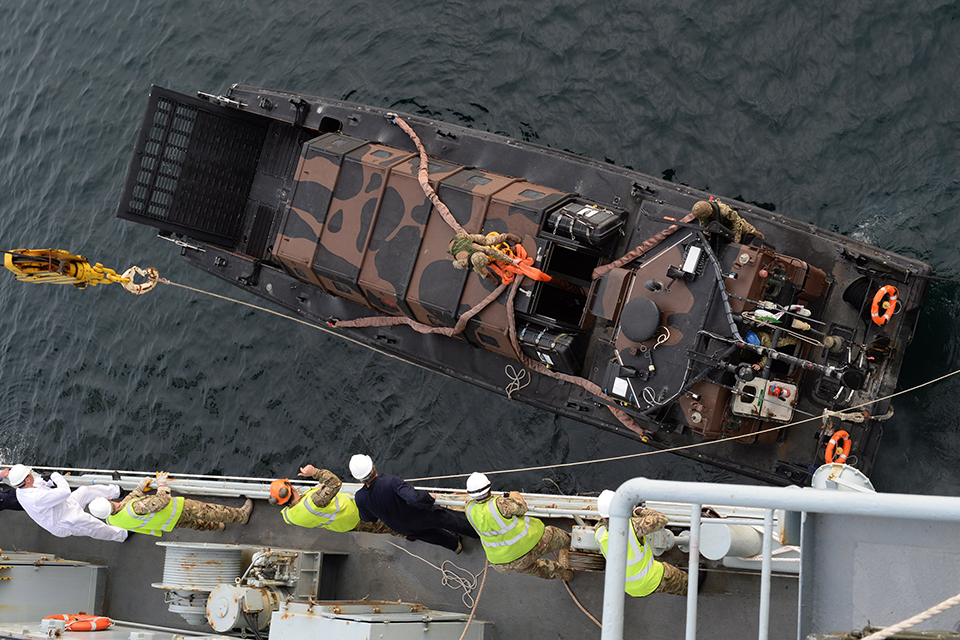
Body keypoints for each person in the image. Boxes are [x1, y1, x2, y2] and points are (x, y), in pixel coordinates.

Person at [350, 454, 478, 553]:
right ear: (372, 466)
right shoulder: (391, 482)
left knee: (430, 535)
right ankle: (477, 532)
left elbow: (368, 518)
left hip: (400, 526)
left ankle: (455, 545)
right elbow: (414, 499)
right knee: (448, 518)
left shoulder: (360, 497)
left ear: (358, 478)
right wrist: (429, 498)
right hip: (419, 516)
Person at [464, 472, 573, 581]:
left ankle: (566, 575)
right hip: (524, 549)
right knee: (554, 534)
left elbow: (479, 506)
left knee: (538, 569)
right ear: (489, 487)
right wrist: (514, 497)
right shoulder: (500, 504)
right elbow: (522, 508)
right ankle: (575, 544)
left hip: (501, 563)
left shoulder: (468, 509)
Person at [88, 472, 252, 536]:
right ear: (108, 500)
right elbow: (162, 501)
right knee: (210, 511)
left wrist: (139, 488)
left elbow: (125, 504)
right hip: (178, 510)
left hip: (168, 523)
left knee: (197, 524)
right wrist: (161, 484)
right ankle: (241, 516)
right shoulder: (136, 508)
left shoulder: (112, 520)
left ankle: (218, 527)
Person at [594, 490, 687, 597]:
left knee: (664, 582)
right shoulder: (633, 526)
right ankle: (689, 588)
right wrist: (639, 511)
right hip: (647, 580)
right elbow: (662, 519)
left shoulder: (598, 532)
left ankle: (669, 586)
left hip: (627, 586)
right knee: (678, 579)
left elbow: (603, 523)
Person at [1, 464, 127, 542]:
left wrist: (47, 480)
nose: (31, 473)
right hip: (65, 521)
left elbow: (40, 483)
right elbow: (64, 492)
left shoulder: (21, 490)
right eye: (29, 473)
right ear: (27, 479)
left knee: (85, 491)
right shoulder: (36, 498)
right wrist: (54, 475)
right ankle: (122, 534)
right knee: (94, 526)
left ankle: (116, 490)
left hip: (64, 506)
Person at [271, 464, 399, 536]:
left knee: (375, 528)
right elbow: (335, 483)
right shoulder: (315, 501)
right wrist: (314, 472)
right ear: (292, 489)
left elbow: (309, 507)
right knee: (386, 524)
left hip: (343, 525)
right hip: (356, 515)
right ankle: (406, 533)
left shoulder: (288, 517)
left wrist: (321, 492)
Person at [448, 232, 523, 283]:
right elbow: (455, 264)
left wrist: (512, 260)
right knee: (479, 270)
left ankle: (506, 236)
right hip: (455, 248)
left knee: (487, 241)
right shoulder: (464, 262)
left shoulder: (481, 249)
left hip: (462, 238)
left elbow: (496, 254)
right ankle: (487, 275)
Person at [691, 199, 763, 244]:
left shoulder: (725, 211)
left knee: (750, 230)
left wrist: (735, 238)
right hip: (719, 228)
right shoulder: (702, 215)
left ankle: (761, 239)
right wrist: (708, 233)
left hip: (732, 224)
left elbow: (736, 222)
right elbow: (703, 225)